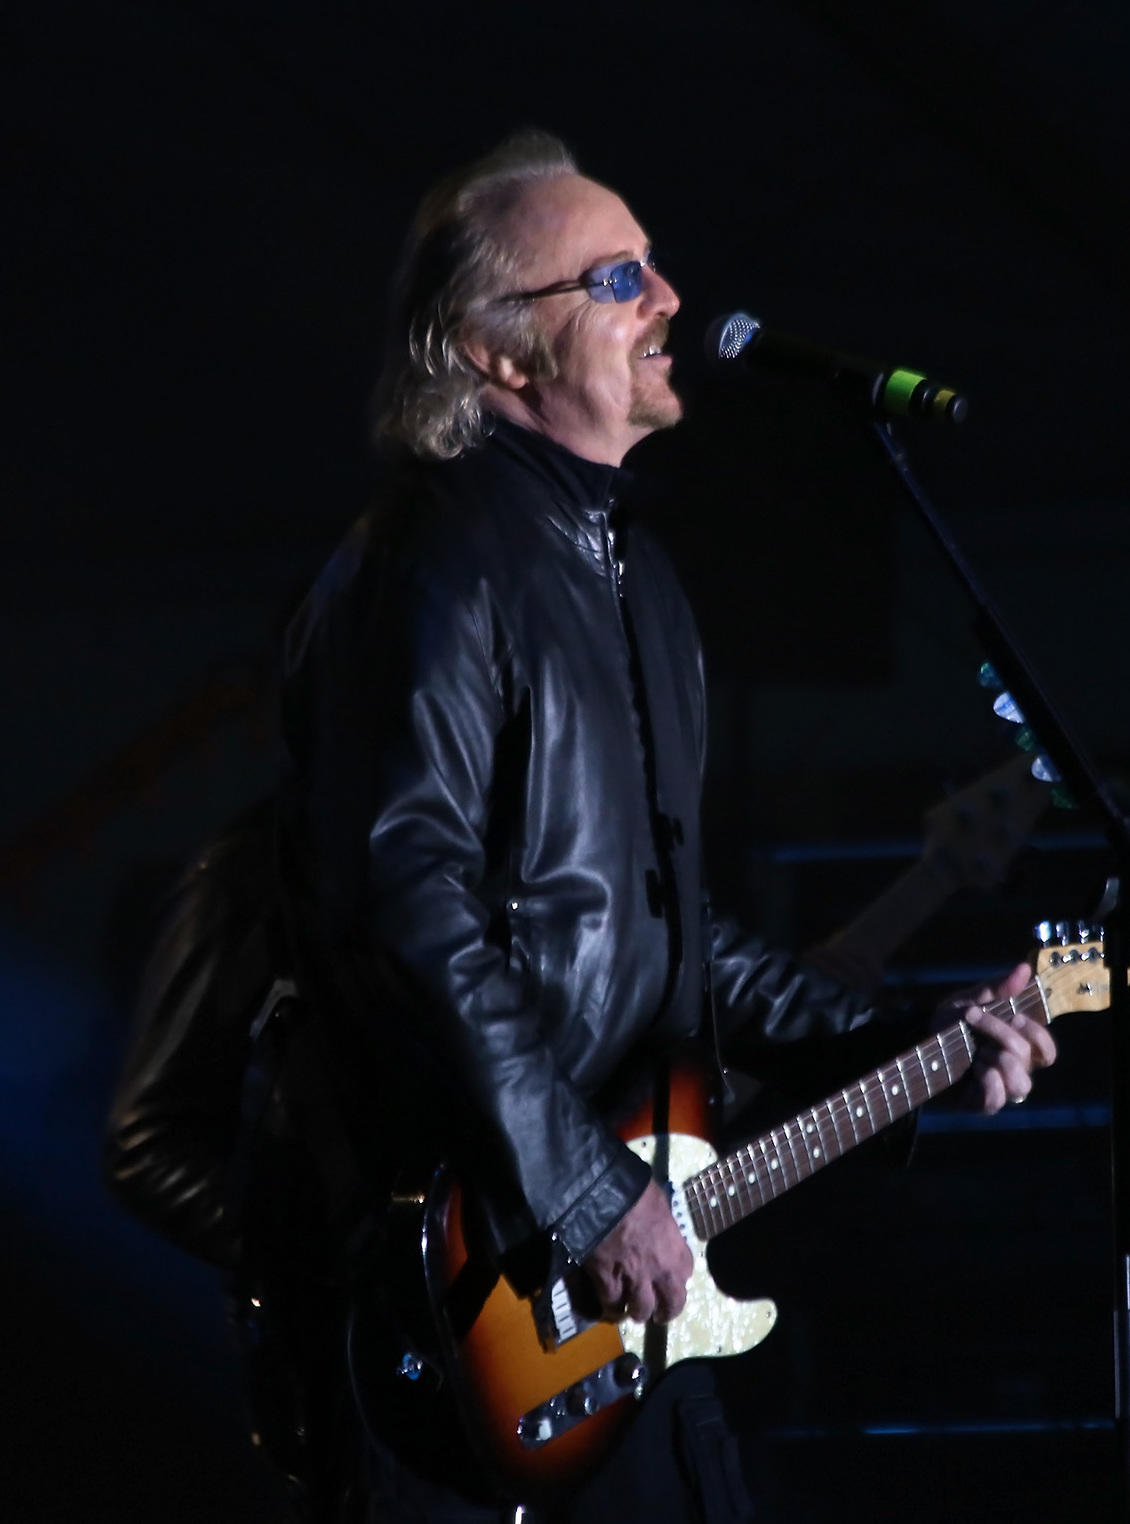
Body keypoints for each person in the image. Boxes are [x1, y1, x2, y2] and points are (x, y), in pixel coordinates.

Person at [274, 129, 1056, 1523]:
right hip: (483, 1301)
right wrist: (582, 1198)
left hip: (626, 1288)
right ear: (497, 353)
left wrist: (914, 1039)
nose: (669, 301)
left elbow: (677, 949)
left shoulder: (636, 579)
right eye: (617, 276)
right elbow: (404, 904)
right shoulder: (431, 561)